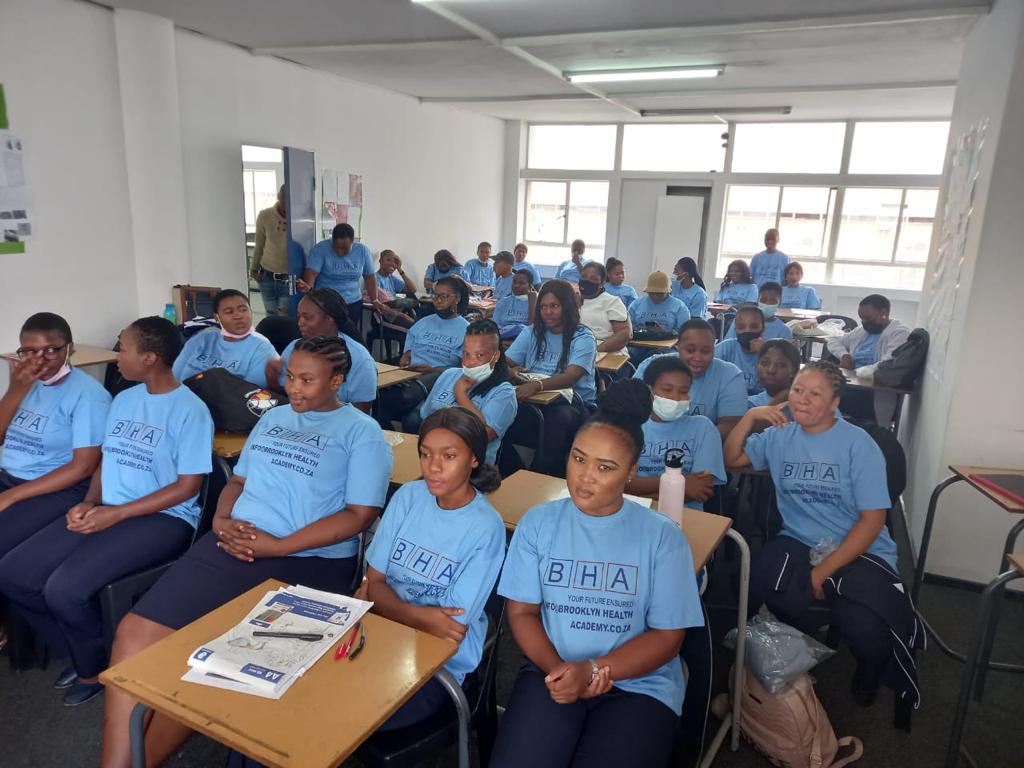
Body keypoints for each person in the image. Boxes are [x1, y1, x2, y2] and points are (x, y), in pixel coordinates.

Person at [101, 335, 392, 766]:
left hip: (307, 561)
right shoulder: (273, 418)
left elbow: (359, 515)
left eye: (307, 380)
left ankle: (143, 759)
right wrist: (220, 520)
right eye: (290, 377)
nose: (293, 388)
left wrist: (280, 546)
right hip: (235, 542)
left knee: (216, 662)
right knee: (134, 632)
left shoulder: (362, 434)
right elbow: (237, 482)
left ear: (337, 381)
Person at [0, 317, 213, 707]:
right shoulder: (125, 398)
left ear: (149, 358)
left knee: (64, 589)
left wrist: (116, 514)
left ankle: (91, 668)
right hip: (110, 508)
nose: (117, 357)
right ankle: (85, 652)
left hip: (164, 518)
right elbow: (106, 461)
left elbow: (187, 488)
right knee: (14, 573)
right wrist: (89, 501)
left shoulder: (191, 411)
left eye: (124, 349)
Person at [491, 379, 703, 768]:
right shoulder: (537, 523)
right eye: (578, 458)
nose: (585, 476)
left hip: (639, 684)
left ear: (631, 472)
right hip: (552, 668)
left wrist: (591, 671)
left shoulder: (663, 537)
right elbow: (522, 612)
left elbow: (668, 637)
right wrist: (560, 670)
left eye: (605, 467)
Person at [724, 361, 920, 714]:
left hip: (860, 545)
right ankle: (788, 658)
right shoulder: (780, 435)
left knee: (867, 629)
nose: (802, 399)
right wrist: (750, 417)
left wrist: (821, 572)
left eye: (815, 394)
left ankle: (869, 670)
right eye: (798, 390)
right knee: (757, 587)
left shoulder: (858, 444)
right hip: (799, 539)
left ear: (835, 402)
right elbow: (733, 458)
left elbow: (872, 521)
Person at [362, 407, 505, 730]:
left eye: (449, 456)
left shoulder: (486, 527)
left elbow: (449, 627)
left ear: (474, 459)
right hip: (379, 637)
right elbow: (374, 580)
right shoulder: (408, 497)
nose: (433, 467)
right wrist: (417, 615)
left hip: (437, 664)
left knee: (348, 716)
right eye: (425, 454)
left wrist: (383, 603)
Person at [0, 313, 111, 561]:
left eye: (50, 350)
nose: (39, 360)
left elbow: (82, 467)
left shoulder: (89, 396)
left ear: (69, 349)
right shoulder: (25, 383)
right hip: (10, 478)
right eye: (29, 351)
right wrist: (15, 391)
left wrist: (10, 496)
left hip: (55, 487)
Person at [505, 279, 598, 476]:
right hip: (534, 399)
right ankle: (510, 469)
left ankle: (544, 474)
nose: (548, 312)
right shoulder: (533, 331)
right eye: (543, 307)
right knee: (501, 407)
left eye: (554, 306)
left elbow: (571, 376)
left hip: (575, 403)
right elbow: (507, 361)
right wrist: (508, 371)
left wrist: (537, 385)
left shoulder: (583, 337)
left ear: (567, 306)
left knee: (557, 419)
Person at [626, 356, 726, 511]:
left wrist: (640, 491)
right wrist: (682, 483)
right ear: (649, 390)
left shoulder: (703, 428)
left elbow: (699, 490)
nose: (675, 397)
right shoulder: (630, 426)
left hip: (687, 516)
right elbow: (621, 483)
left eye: (684, 391)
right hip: (634, 511)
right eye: (667, 390)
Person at [377, 275, 470, 430]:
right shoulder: (424, 322)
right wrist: (406, 354)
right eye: (435, 296)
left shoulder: (467, 330)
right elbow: (409, 344)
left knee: (412, 419)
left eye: (443, 296)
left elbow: (464, 371)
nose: (437, 301)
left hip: (441, 381)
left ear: (457, 299)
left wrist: (433, 370)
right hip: (410, 377)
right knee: (376, 402)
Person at [419, 320, 518, 463]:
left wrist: (460, 393)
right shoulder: (449, 374)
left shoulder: (503, 392)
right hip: (434, 457)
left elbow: (480, 436)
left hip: (472, 467)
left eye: (480, 355)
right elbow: (425, 421)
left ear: (495, 356)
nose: (470, 362)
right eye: (466, 354)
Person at [634, 319, 748, 440]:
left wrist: (694, 443)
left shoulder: (730, 376)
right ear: (677, 346)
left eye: (705, 351)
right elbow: (632, 409)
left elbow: (731, 425)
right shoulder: (650, 366)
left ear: (714, 349)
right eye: (690, 350)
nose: (697, 358)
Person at [268, 288, 377, 414]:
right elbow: (284, 398)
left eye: (307, 317)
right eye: (299, 317)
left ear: (329, 318)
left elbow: (361, 415)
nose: (300, 323)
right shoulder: (294, 348)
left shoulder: (361, 360)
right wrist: (272, 379)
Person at [172, 289, 278, 388]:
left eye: (243, 310)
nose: (238, 316)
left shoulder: (261, 349)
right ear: (216, 317)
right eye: (229, 312)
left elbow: (247, 394)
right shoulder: (202, 339)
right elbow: (174, 377)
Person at [299, 223, 377, 333]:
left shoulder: (362, 251)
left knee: (348, 335)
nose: (340, 252)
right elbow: (311, 273)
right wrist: (308, 291)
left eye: (345, 249)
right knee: (326, 335)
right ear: (332, 240)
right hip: (326, 304)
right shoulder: (320, 249)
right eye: (337, 248)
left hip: (352, 302)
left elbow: (369, 277)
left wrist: (375, 300)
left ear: (353, 241)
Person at [826, 294, 909, 371]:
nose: (864, 322)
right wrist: (844, 355)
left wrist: (858, 374)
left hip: (873, 379)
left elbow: (887, 363)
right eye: (861, 318)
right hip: (852, 377)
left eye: (867, 318)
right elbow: (833, 340)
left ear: (883, 313)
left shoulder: (899, 333)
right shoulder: (861, 331)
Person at [249, 184, 290, 316]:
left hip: (288, 279)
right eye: (283, 198)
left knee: (284, 319)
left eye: (289, 199)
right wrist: (253, 269)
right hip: (266, 277)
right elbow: (259, 244)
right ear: (278, 196)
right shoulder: (265, 215)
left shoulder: (299, 217)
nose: (286, 203)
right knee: (271, 317)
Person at [578, 262, 631, 355]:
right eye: (584, 277)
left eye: (593, 279)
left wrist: (595, 350)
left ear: (602, 283)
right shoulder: (572, 301)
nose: (587, 281)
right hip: (578, 351)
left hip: (607, 354)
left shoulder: (612, 302)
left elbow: (624, 334)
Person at [715, 306, 767, 395]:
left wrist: (764, 354)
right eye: (741, 327)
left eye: (754, 327)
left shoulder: (769, 352)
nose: (747, 331)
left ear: (763, 329)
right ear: (735, 330)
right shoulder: (727, 347)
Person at [724, 282, 793, 342]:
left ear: (779, 303)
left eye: (772, 301)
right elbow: (728, 344)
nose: (767, 304)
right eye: (763, 300)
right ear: (758, 300)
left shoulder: (784, 331)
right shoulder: (740, 320)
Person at [628, 271, 691, 335]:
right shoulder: (636, 304)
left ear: (667, 292)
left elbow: (685, 333)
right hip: (639, 340)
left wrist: (665, 332)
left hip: (668, 341)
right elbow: (627, 327)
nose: (655, 296)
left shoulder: (680, 307)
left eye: (659, 293)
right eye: (651, 293)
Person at [747, 339, 802, 408]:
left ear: (794, 371)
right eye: (764, 363)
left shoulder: (805, 403)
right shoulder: (749, 404)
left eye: (780, 365)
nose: (771, 370)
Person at [493, 270, 537, 340]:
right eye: (514, 282)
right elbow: (494, 326)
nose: (516, 285)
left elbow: (532, 329)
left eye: (521, 283)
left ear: (530, 286)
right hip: (503, 338)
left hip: (525, 340)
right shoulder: (504, 302)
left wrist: (532, 303)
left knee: (521, 328)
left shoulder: (536, 303)